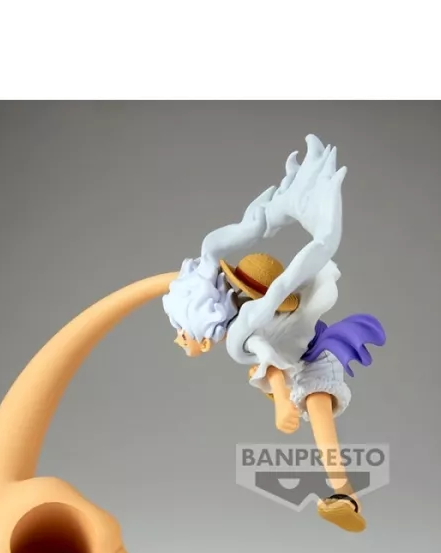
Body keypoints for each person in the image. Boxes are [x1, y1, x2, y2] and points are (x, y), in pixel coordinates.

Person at [162, 135, 385, 532]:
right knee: (285, 386)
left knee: (317, 407)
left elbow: (272, 354)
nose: (180, 339)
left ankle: (345, 494)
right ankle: (344, 492)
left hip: (315, 354)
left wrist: (282, 401)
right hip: (291, 359)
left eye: (182, 333)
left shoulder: (242, 333)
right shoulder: (243, 323)